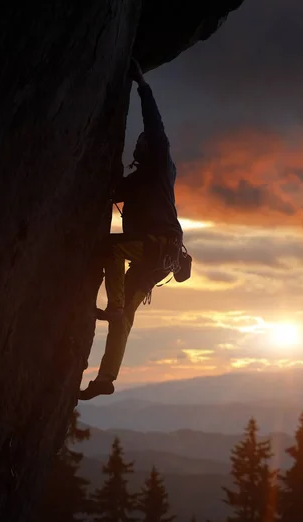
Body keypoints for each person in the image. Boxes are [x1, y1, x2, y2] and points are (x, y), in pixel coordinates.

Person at [79, 58, 183, 401]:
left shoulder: (160, 168)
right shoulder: (142, 179)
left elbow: (157, 128)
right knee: (124, 322)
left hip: (154, 247)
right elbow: (112, 192)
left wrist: (142, 85)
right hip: (159, 258)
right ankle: (106, 378)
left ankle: (116, 305)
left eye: (142, 144)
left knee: (110, 250)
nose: (139, 146)